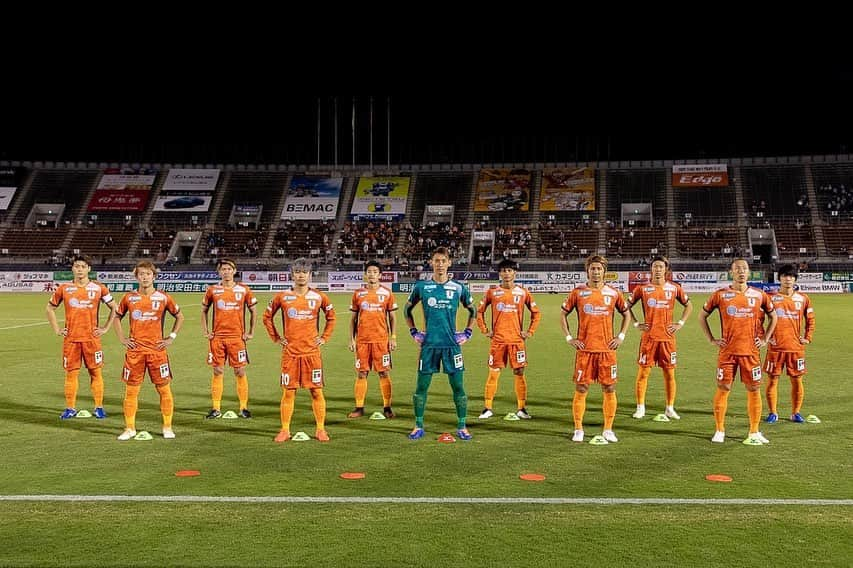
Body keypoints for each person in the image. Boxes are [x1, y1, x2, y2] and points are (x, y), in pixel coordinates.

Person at [699, 258, 778, 444]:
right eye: (737, 269)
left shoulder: (759, 295)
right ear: (731, 272)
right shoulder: (720, 294)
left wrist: (765, 338)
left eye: (744, 268)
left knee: (753, 389)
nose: (741, 272)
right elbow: (702, 316)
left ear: (749, 272)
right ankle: (719, 430)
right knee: (724, 388)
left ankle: (754, 431)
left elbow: (773, 316)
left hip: (751, 352)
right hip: (727, 352)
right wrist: (711, 339)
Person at [404, 246, 476, 440]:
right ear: (431, 263)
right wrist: (414, 331)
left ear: (449, 263)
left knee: (458, 387)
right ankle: (418, 425)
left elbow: (473, 310)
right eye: (436, 261)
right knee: (421, 388)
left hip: (452, 345)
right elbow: (407, 310)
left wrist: (468, 332)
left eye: (443, 261)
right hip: (429, 345)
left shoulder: (459, 287)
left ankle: (462, 426)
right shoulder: (421, 287)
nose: (440, 265)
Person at [263, 258, 336, 442]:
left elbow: (331, 317)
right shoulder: (282, 296)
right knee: (288, 392)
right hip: (291, 353)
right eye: (297, 272)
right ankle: (285, 430)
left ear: (310, 275)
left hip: (312, 353)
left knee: (316, 391)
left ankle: (320, 429)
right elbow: (267, 317)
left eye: (304, 272)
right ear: (292, 274)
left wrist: (324, 337)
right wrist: (277, 338)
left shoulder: (319, 296)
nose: (301, 275)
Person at [560, 254, 630, 443]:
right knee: (581, 388)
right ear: (587, 271)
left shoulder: (614, 293)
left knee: (609, 388)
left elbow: (626, 314)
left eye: (599, 269)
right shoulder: (578, 292)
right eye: (593, 268)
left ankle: (608, 429)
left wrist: (620, 336)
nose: (596, 272)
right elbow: (563, 314)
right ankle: (578, 429)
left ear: (604, 272)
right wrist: (569, 338)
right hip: (585, 350)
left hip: (607, 350)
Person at [112, 261, 185, 440]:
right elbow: (117, 317)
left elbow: (179, 317)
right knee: (131, 391)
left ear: (154, 276)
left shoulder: (163, 297)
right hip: (135, 352)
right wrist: (122, 338)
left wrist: (171, 337)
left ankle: (167, 427)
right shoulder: (129, 298)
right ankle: (129, 428)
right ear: (137, 276)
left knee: (164, 389)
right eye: (141, 274)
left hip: (157, 352)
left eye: (148, 274)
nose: (144, 277)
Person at [46, 254, 117, 420]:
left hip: (92, 339)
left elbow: (115, 307)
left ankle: (98, 407)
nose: (79, 269)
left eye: (83, 266)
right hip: (71, 339)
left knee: (96, 373)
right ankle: (70, 408)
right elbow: (49, 308)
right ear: (72, 268)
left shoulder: (99, 288)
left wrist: (105, 328)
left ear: (89, 269)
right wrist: (57, 329)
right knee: (71, 374)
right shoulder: (64, 288)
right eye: (77, 266)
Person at [626, 256, 693, 420]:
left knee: (669, 374)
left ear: (666, 270)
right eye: (655, 266)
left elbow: (688, 305)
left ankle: (670, 407)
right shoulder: (642, 289)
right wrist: (636, 323)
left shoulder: (674, 288)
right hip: (648, 338)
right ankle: (640, 407)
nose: (657, 270)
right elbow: (625, 306)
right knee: (643, 374)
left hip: (667, 339)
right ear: (651, 269)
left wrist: (680, 323)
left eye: (661, 267)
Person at [476, 258, 541, 420]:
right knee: (493, 373)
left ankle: (521, 408)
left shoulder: (523, 292)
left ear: (515, 273)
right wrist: (485, 330)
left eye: (510, 270)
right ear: (499, 273)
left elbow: (536, 313)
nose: (506, 274)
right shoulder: (492, 292)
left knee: (519, 372)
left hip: (517, 341)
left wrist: (530, 332)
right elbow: (479, 312)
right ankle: (487, 408)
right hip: (498, 341)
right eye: (504, 271)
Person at [201, 258, 258, 419]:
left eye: (228, 269)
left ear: (234, 271)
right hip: (217, 338)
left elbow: (253, 311)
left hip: (237, 338)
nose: (226, 272)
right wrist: (206, 332)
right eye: (223, 269)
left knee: (240, 371)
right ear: (219, 272)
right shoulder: (212, 290)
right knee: (218, 370)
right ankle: (216, 408)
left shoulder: (244, 289)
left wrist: (251, 332)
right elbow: (204, 311)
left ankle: (243, 407)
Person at [763, 264, 815, 423]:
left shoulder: (803, 298)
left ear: (795, 279)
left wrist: (807, 337)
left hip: (795, 348)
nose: (788, 279)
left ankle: (796, 412)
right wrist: (764, 337)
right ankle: (773, 412)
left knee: (797, 380)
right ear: (779, 278)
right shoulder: (770, 297)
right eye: (785, 276)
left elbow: (811, 319)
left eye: (791, 276)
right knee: (772, 380)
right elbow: (757, 319)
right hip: (775, 348)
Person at [347, 260, 398, 419]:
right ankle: (359, 407)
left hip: (381, 341)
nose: (372, 274)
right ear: (365, 274)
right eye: (369, 271)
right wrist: (352, 339)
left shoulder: (387, 293)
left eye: (375, 271)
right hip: (362, 341)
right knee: (362, 373)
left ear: (380, 275)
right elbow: (353, 319)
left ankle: (387, 407)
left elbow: (392, 317)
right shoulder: (358, 294)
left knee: (383, 372)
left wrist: (393, 337)